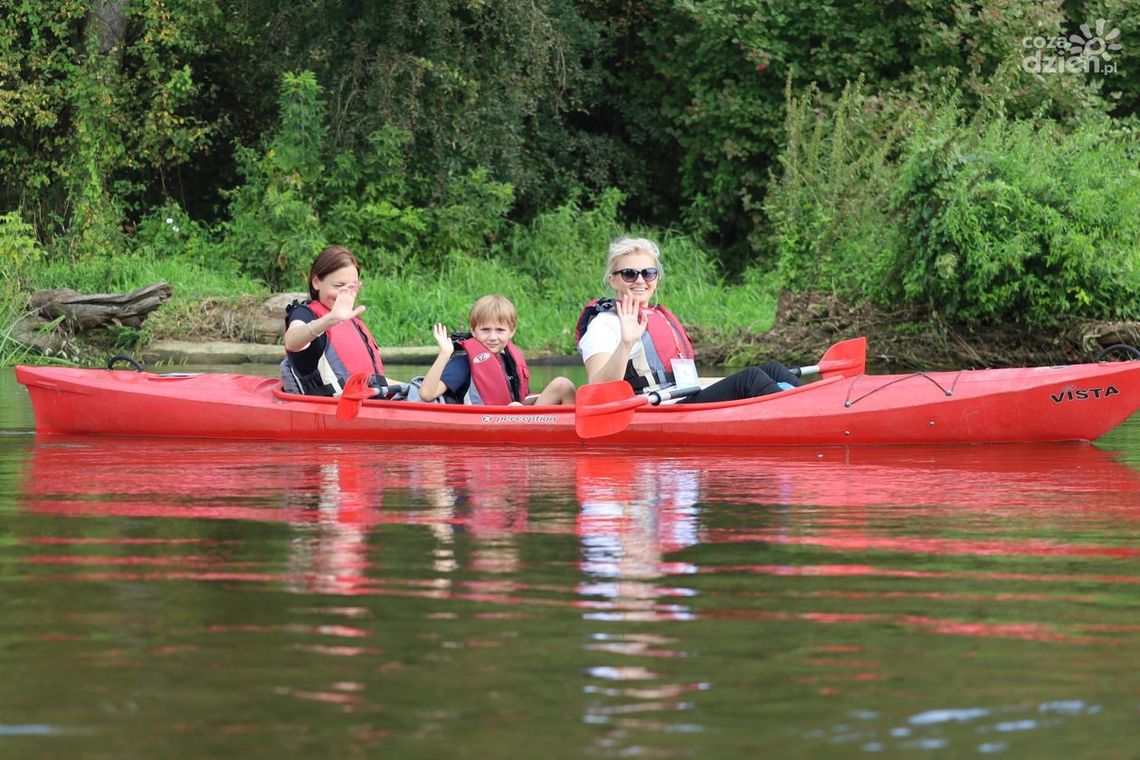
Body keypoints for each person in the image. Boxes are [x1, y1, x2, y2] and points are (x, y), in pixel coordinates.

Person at [576, 236, 801, 403]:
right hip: (655, 411)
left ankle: (828, 405)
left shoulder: (658, 317)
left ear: (656, 278)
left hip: (683, 396)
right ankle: (803, 415)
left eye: (648, 273)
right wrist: (626, 343)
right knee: (750, 378)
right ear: (613, 280)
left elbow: (680, 379)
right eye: (629, 274)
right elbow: (597, 389)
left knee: (771, 369)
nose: (640, 280)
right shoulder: (604, 325)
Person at [418, 295, 576, 405]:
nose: (493, 337)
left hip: (516, 417)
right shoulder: (464, 362)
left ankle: (573, 431)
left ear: (511, 331)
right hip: (489, 423)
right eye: (485, 330)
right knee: (515, 408)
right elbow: (427, 394)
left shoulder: (508, 359)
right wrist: (444, 354)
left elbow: (520, 398)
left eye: (500, 330)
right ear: (473, 331)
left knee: (563, 385)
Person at [281, 245, 390, 397]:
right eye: (338, 286)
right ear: (316, 282)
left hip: (371, 401)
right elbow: (291, 341)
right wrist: (331, 319)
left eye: (351, 287)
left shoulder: (353, 321)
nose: (344, 293)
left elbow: (375, 381)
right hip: (332, 409)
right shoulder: (304, 314)